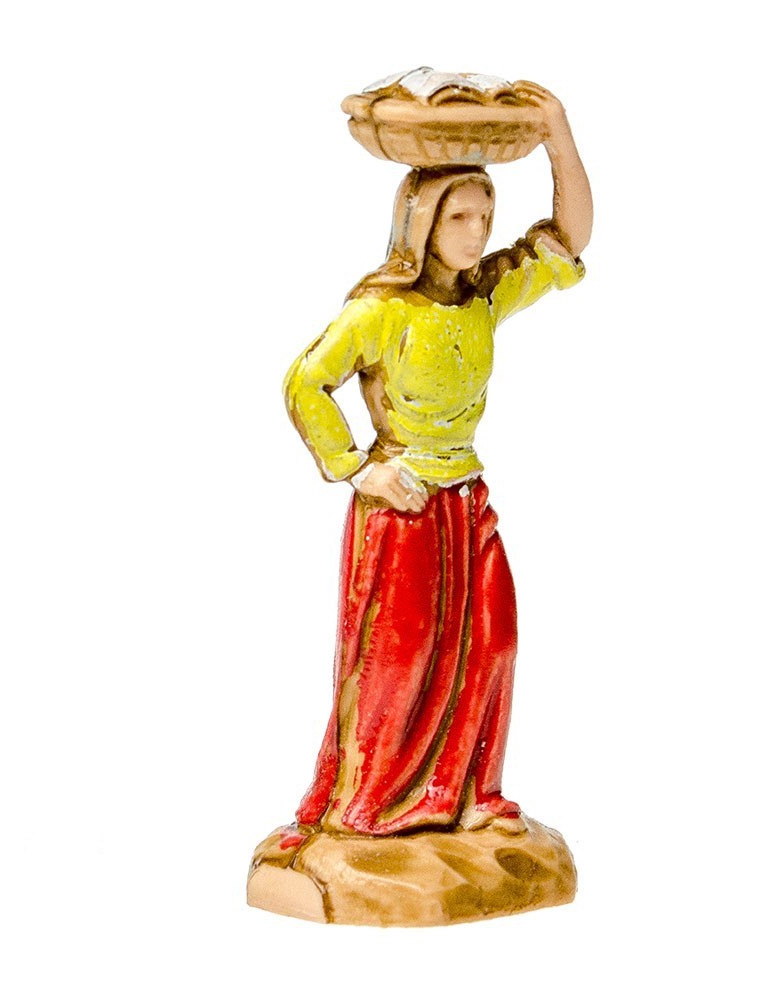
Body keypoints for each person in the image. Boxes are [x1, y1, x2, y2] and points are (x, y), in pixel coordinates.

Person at [283, 85, 592, 837]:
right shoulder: (381, 311)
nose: (476, 232)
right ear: (421, 221)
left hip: (465, 498)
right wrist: (360, 469)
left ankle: (470, 793)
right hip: (405, 504)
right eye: (459, 217)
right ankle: (374, 804)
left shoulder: (483, 299)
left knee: (495, 637)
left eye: (484, 216)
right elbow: (306, 383)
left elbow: (569, 238)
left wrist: (557, 132)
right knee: (400, 658)